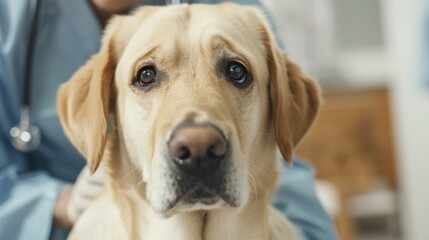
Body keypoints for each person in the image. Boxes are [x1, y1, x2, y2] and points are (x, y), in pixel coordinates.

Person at [0, 0, 337, 239]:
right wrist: (62, 204)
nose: (197, 141)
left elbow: (284, 170)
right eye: (146, 76)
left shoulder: (243, 17)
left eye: (236, 72)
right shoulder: (8, 20)